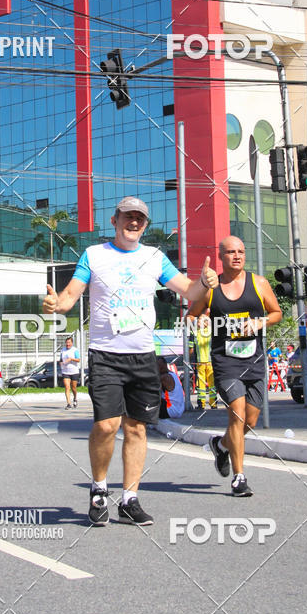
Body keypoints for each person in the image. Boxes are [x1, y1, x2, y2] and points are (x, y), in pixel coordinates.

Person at [42, 196, 219, 527]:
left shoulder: (155, 257)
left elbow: (190, 292)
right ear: (115, 220)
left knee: (136, 428)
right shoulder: (94, 255)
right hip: (106, 355)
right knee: (107, 425)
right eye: (128, 216)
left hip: (142, 356)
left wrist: (205, 283)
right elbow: (69, 297)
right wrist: (56, 304)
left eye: (140, 218)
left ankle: (129, 500)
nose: (133, 222)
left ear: (145, 224)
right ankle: (99, 490)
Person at [191, 235, 281, 497]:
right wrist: (200, 321)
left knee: (249, 421)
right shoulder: (211, 289)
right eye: (231, 252)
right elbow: (190, 315)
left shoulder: (259, 283)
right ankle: (239, 478)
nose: (237, 256)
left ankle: (221, 445)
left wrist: (260, 322)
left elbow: (277, 313)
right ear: (221, 256)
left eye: (241, 251)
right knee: (237, 414)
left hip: (254, 360)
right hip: (225, 361)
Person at [187, 310, 218, 409]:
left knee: (201, 384)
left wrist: (189, 360)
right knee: (212, 384)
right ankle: (213, 403)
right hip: (210, 362)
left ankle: (201, 404)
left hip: (200, 362)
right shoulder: (212, 331)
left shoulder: (194, 332)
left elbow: (191, 349)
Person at [60, 336, 81, 409]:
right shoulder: (63, 350)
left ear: (72, 343)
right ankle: (68, 403)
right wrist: (61, 363)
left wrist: (71, 359)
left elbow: (78, 360)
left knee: (73, 387)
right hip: (65, 371)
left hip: (74, 371)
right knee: (67, 386)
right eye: (66, 343)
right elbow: (61, 360)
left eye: (69, 342)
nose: (67, 344)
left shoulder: (75, 350)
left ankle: (75, 398)